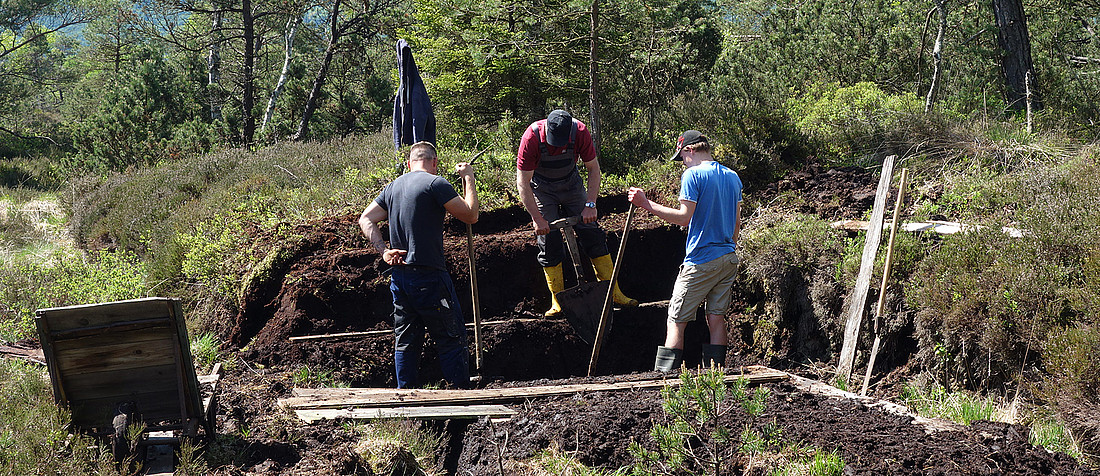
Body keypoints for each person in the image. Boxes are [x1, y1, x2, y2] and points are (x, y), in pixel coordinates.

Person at [359, 141, 478, 389]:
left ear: (409, 163)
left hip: (400, 277)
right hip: (429, 276)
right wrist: (468, 178)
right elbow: (470, 214)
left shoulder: (392, 187)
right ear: (434, 162)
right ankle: (460, 399)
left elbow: (366, 219)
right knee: (450, 337)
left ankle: (407, 402)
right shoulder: (436, 183)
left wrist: (383, 251)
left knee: (406, 341)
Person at [627, 130, 743, 371]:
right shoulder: (732, 176)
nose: (683, 164)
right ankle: (715, 377)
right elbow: (736, 223)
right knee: (716, 317)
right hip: (728, 257)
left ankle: (665, 377)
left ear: (689, 150)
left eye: (682, 157)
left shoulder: (693, 174)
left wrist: (645, 203)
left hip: (701, 260)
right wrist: (727, 247)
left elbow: (683, 218)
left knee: (676, 318)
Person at [516, 109, 637, 317]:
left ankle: (613, 293)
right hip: (543, 189)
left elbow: (593, 169)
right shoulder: (532, 137)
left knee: (592, 232)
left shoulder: (580, 131)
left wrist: (590, 204)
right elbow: (523, 182)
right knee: (548, 240)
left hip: (572, 185)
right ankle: (558, 301)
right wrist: (538, 219)